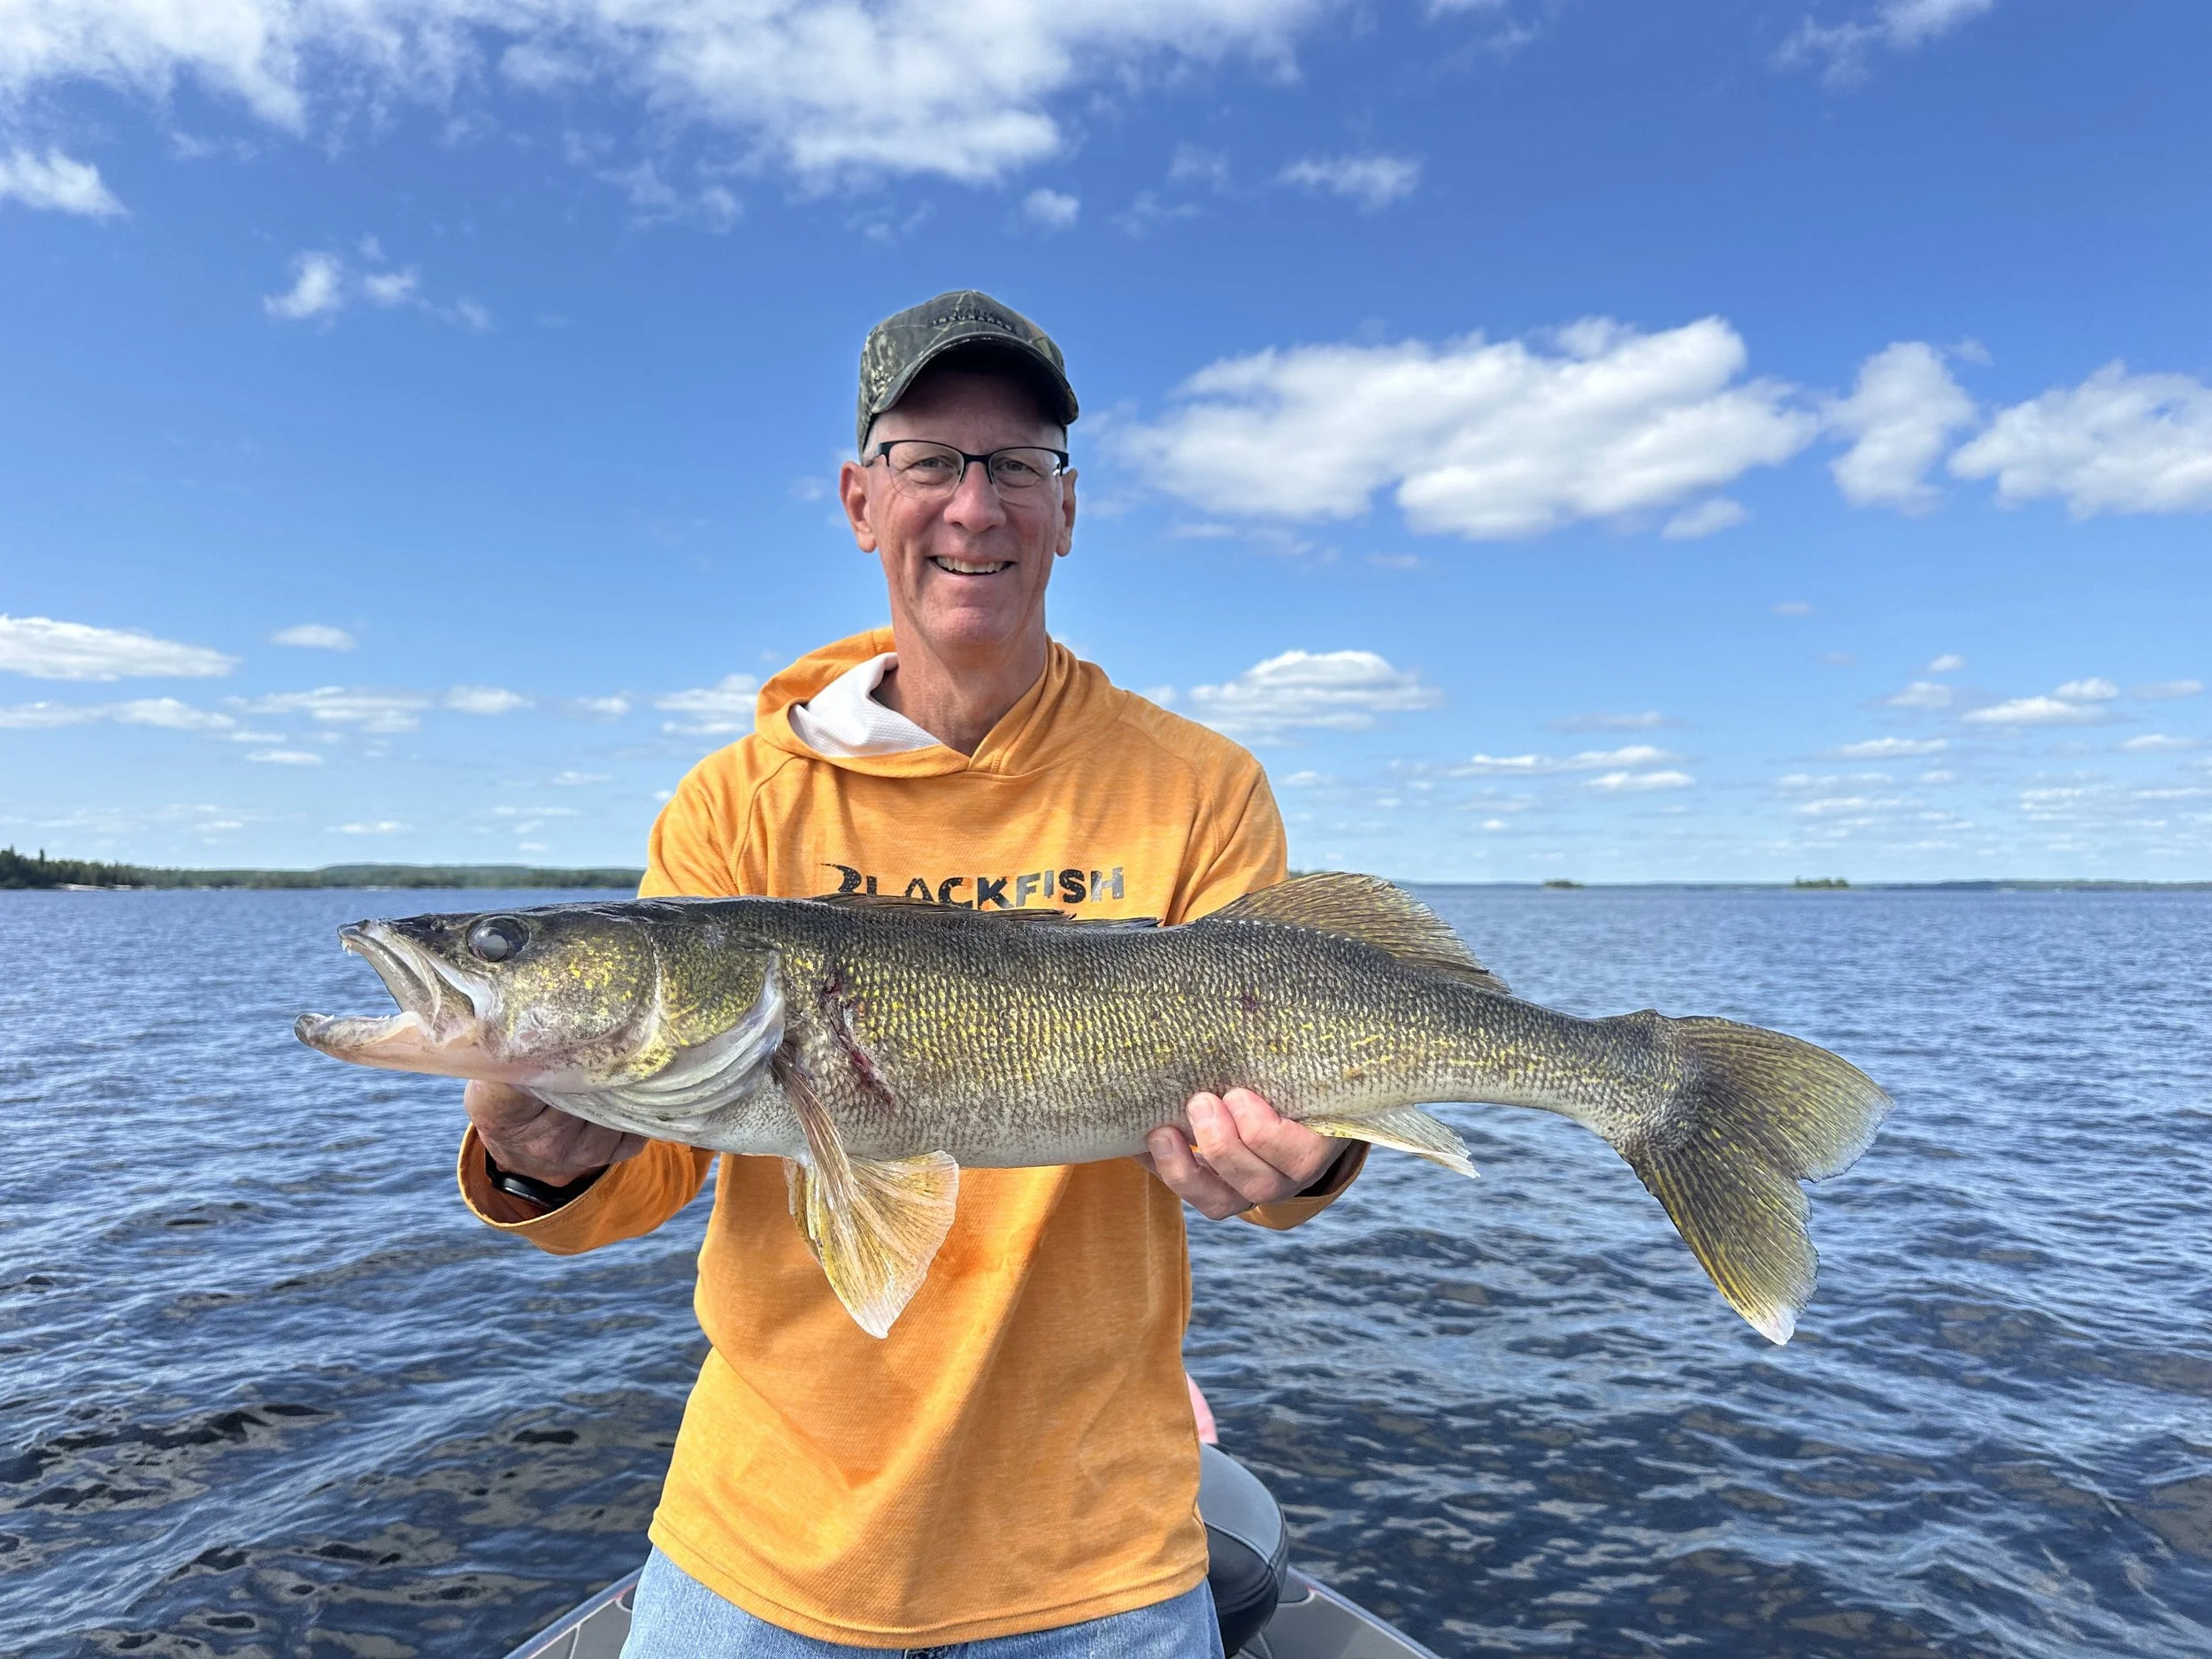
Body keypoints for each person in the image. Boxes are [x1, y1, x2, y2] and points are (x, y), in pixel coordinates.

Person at [457, 291, 1368, 1656]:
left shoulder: (1200, 787)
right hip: (759, 1547)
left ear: (1068, 508)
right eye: (932, 461)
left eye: (1018, 465)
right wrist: (538, 1155)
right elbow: (649, 1171)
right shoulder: (737, 803)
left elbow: (1308, 1110)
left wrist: (1308, 1162)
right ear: (860, 496)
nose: (974, 506)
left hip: (1098, 1554)